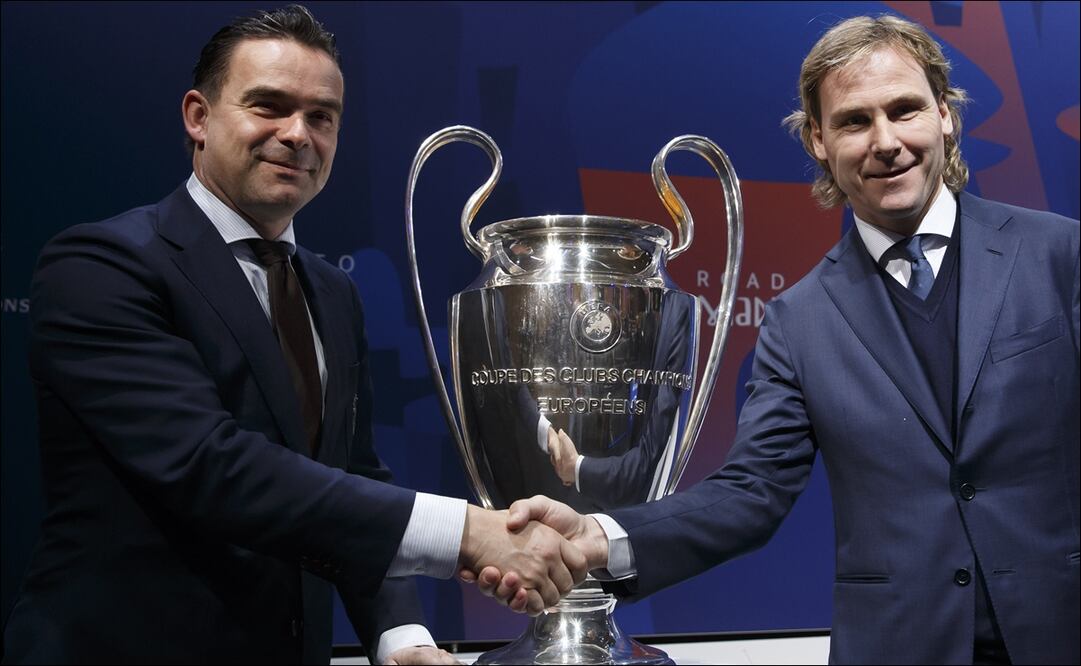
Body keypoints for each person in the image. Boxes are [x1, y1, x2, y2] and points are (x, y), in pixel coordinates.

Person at [476, 14, 1080, 665]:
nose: (885, 141)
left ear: (944, 116)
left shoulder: (1058, 254)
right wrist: (598, 536)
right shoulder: (799, 319)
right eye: (853, 121)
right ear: (818, 140)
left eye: (904, 110)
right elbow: (750, 492)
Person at [1, 6, 585, 665]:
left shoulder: (332, 292)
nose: (297, 135)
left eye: (321, 116)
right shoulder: (100, 266)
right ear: (198, 116)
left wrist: (401, 638)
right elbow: (211, 467)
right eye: (269, 106)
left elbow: (349, 473)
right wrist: (465, 534)